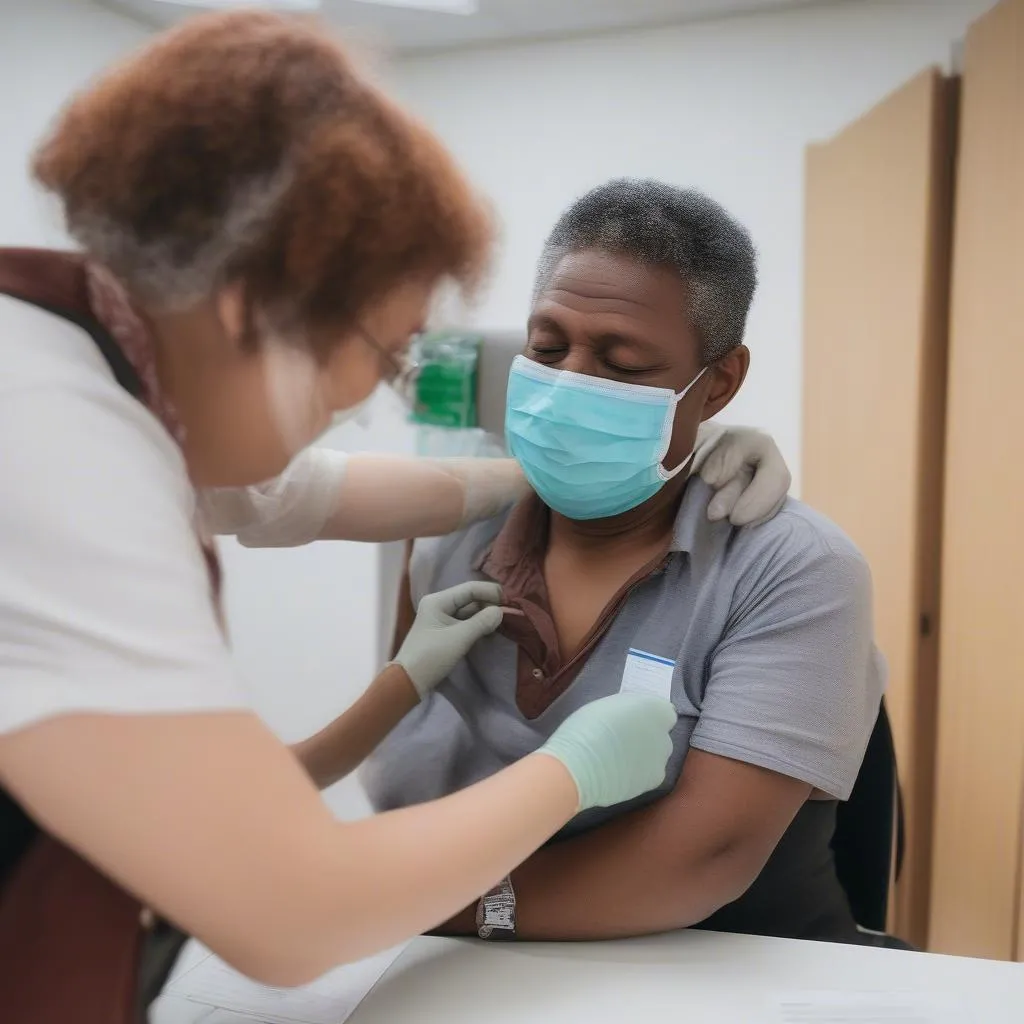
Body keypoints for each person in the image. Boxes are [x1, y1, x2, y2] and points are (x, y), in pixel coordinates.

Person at [0, 14, 791, 1020]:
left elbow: (309, 492)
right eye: (384, 353)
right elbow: (288, 908)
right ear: (257, 308)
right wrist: (569, 769)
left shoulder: (71, 363)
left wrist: (610, 461)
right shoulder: (52, 444)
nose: (366, 394)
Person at [320, 180, 886, 944]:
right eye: (547, 348)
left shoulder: (790, 568)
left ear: (717, 383)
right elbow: (395, 779)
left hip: (723, 975)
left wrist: (421, 905)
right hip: (461, 967)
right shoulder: (451, 531)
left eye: (622, 366)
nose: (567, 387)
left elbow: (703, 857)